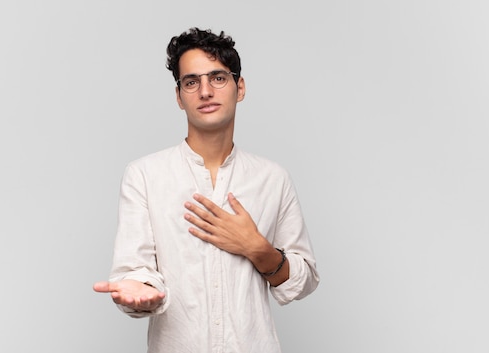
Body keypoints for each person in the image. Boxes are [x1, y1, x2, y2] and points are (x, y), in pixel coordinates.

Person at [93, 27, 319, 353]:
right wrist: (139, 291)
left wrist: (258, 249)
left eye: (218, 78)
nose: (205, 91)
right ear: (179, 96)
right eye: (191, 82)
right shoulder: (144, 175)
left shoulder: (273, 178)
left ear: (239, 87)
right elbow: (136, 272)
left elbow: (304, 280)